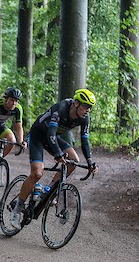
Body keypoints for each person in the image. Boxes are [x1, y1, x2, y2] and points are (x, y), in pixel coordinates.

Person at [9, 89, 99, 229]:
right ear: (76, 103)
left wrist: (90, 161)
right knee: (37, 173)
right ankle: (18, 207)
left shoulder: (85, 118)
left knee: (73, 161)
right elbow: (50, 133)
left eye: (90, 108)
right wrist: (58, 153)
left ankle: (47, 190)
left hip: (54, 138)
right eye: (86, 106)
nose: (88, 110)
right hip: (39, 135)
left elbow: (85, 141)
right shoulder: (61, 108)